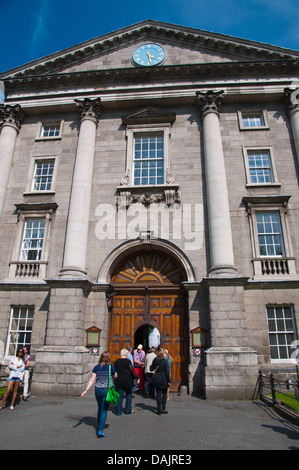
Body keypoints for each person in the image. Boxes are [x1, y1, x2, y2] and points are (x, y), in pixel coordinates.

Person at [81, 350, 117, 438]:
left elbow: (92, 379)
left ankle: (99, 422)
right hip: (106, 390)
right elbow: (116, 376)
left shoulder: (96, 367)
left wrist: (86, 390)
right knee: (104, 409)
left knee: (99, 407)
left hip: (98, 390)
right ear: (108, 358)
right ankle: (100, 429)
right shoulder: (110, 367)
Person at [114, 348, 139, 415]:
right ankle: (128, 410)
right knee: (128, 395)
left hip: (119, 380)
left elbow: (114, 371)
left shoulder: (117, 362)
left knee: (119, 396)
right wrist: (136, 378)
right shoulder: (128, 362)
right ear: (126, 354)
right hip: (127, 380)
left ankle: (118, 411)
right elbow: (132, 370)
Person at [150, 347, 171, 415]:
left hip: (157, 379)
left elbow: (151, 369)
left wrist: (151, 366)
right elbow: (167, 372)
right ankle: (163, 408)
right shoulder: (164, 361)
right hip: (164, 378)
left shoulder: (155, 360)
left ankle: (159, 410)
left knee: (158, 395)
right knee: (164, 394)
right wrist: (169, 381)